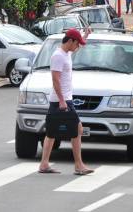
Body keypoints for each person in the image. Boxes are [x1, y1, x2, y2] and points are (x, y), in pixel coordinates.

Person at [38, 28, 94, 176]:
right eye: (76, 43)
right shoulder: (58, 56)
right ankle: (78, 165)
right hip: (61, 101)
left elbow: (79, 46)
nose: (78, 47)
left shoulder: (66, 53)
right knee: (77, 130)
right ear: (70, 41)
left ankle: (44, 164)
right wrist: (62, 101)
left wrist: (85, 36)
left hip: (62, 99)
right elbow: (55, 79)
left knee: (51, 132)